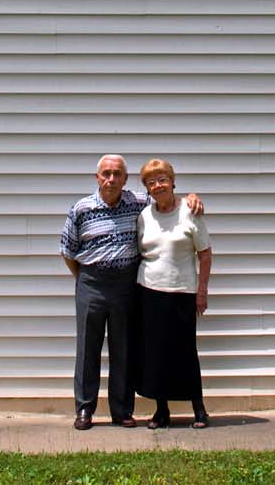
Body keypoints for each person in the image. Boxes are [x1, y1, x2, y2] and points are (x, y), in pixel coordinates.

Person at [59, 154, 202, 430]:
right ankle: (85, 409)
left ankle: (122, 410)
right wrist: (85, 278)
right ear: (97, 177)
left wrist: (191, 197)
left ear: (125, 179)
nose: (111, 179)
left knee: (123, 348)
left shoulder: (138, 202)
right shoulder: (81, 208)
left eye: (117, 174)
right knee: (87, 348)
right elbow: (67, 250)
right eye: (106, 173)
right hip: (91, 282)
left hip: (126, 284)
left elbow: (165, 198)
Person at [133, 157, 212, 429]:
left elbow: (205, 253)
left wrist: (202, 291)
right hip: (149, 291)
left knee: (185, 351)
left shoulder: (190, 211)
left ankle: (199, 409)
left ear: (173, 181)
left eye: (162, 180)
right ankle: (161, 411)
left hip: (182, 291)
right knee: (155, 352)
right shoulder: (144, 215)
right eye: (151, 182)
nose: (158, 186)